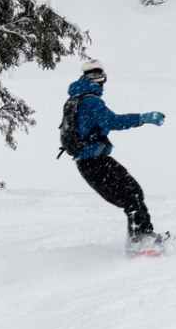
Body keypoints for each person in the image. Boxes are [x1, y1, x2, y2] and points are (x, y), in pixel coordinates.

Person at [60, 59, 166, 247]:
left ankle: (144, 235)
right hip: (92, 162)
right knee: (131, 196)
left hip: (95, 160)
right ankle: (139, 242)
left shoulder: (75, 99)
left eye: (100, 76)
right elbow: (113, 121)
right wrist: (143, 118)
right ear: (87, 78)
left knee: (134, 191)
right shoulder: (90, 101)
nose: (98, 80)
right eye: (94, 76)